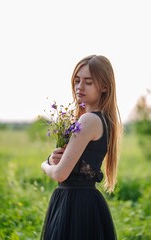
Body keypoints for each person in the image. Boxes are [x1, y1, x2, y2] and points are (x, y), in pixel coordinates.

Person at [40, 55, 122, 240]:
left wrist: (45, 164)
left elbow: (60, 174)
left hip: (75, 205)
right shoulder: (101, 120)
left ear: (104, 87)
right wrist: (57, 157)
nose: (80, 87)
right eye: (77, 81)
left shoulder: (89, 120)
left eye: (88, 82)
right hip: (84, 203)